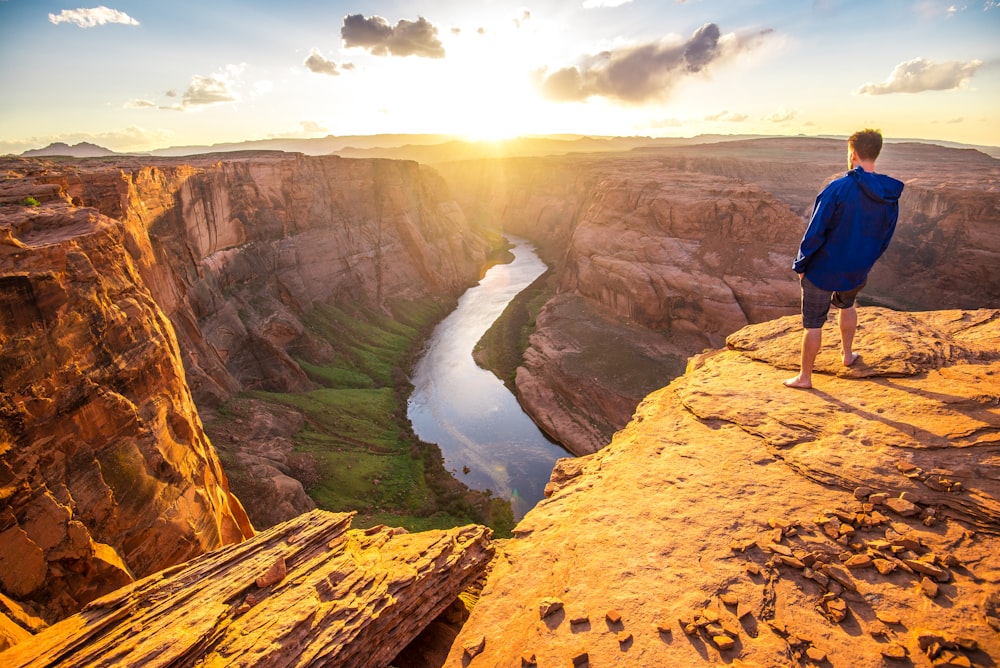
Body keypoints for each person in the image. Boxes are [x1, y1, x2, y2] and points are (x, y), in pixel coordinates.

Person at [784, 129, 904, 389]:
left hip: (823, 268)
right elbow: (885, 236)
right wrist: (866, 261)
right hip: (857, 267)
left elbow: (815, 231)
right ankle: (847, 355)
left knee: (813, 324)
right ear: (876, 153)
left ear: (853, 154)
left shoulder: (838, 188)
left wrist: (802, 265)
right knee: (848, 306)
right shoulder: (889, 194)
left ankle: (805, 377)